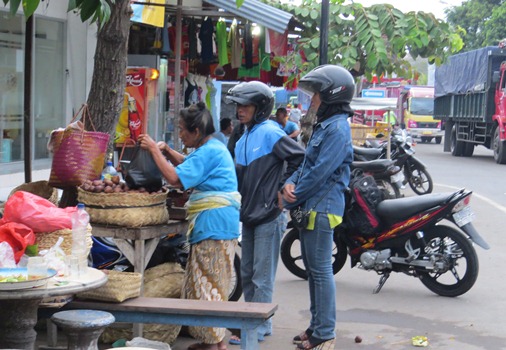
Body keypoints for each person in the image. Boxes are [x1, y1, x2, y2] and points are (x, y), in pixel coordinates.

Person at [138, 102, 240, 350]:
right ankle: (212, 343)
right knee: (209, 283)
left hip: (214, 225)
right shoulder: (211, 146)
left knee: (208, 286)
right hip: (218, 224)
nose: (180, 134)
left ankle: (216, 345)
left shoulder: (208, 151)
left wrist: (153, 149)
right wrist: (169, 152)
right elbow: (189, 165)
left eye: (183, 130)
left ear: (196, 131)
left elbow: (175, 178)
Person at [225, 81, 305, 347]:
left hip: (270, 215)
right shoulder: (243, 134)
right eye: (238, 105)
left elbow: (300, 159)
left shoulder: (270, 132)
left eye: (245, 106)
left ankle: (255, 327)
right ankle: (260, 322)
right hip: (248, 214)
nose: (240, 110)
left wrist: (285, 190)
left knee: (261, 276)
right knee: (247, 273)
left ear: (260, 108)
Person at [282, 65, 355, 350]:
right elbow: (305, 165)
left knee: (321, 271)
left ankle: (324, 333)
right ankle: (316, 327)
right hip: (312, 205)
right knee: (314, 270)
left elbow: (320, 173)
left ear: (330, 96)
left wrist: (292, 195)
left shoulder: (337, 129)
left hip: (323, 209)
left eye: (315, 96)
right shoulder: (325, 126)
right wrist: (290, 182)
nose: (311, 100)